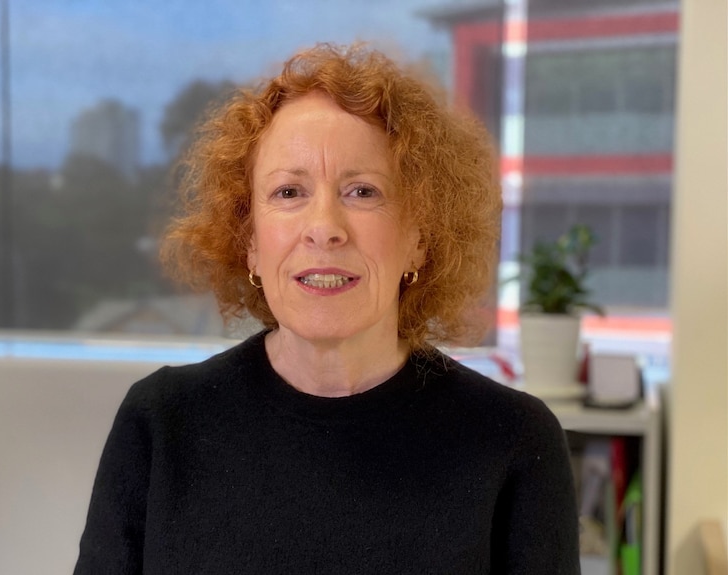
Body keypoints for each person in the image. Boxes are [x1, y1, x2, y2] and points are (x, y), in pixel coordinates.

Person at [74, 43, 580, 574]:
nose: (324, 227)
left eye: (363, 191)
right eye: (289, 191)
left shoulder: (513, 441)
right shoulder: (160, 422)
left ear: (420, 241)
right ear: (249, 241)